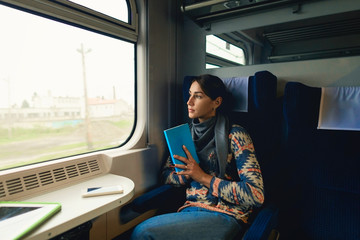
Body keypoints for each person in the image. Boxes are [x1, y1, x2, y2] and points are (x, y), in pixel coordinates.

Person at [131, 74, 264, 240]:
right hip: (190, 210)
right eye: (190, 94)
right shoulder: (183, 135)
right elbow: (165, 176)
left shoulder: (236, 134)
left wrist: (201, 177)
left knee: (143, 233)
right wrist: (184, 175)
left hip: (227, 214)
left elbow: (255, 194)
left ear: (217, 102)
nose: (189, 101)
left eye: (198, 96)